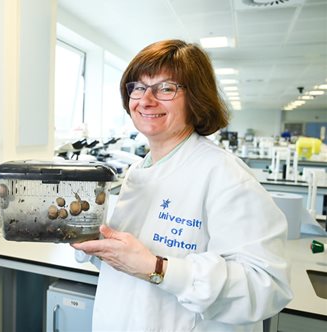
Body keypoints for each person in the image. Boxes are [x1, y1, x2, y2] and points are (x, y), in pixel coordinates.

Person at [72, 39, 293, 331]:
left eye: (165, 88)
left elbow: (267, 286)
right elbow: (131, 264)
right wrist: (93, 243)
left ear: (196, 98)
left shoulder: (224, 174)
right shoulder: (139, 170)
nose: (146, 99)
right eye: (138, 86)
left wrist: (159, 269)